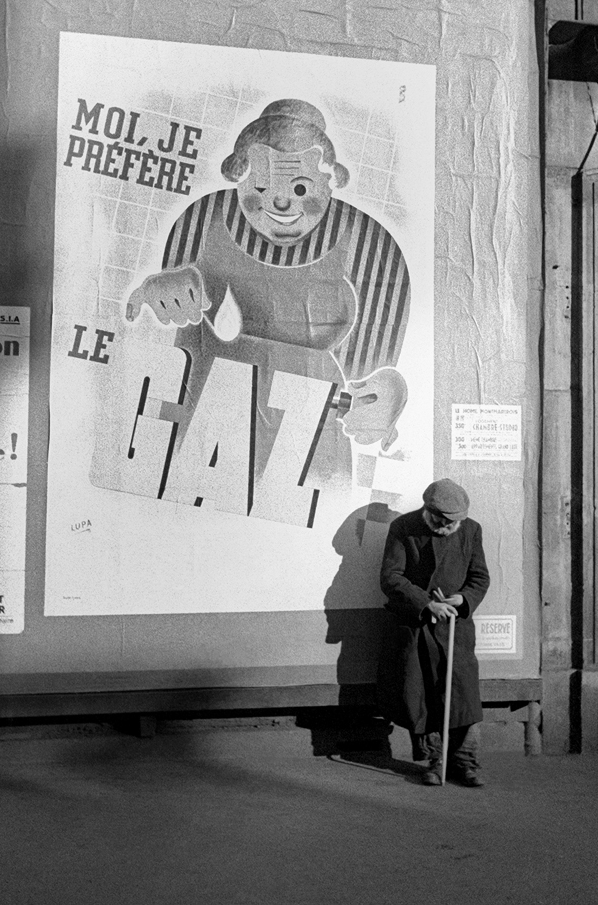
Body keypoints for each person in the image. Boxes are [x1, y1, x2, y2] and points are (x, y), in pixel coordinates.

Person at [125, 99, 410, 505]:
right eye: (261, 187)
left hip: (309, 450)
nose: (281, 204)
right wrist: (161, 292)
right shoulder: (201, 219)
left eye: (300, 188)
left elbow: (377, 371)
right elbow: (161, 349)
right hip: (204, 430)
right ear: (239, 177)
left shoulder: (375, 248)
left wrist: (387, 394)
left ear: (330, 181)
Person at [379, 478, 490, 786]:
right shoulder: (404, 527)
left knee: (463, 695)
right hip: (418, 627)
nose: (446, 527)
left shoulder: (472, 530)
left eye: (453, 522)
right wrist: (427, 603)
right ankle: (435, 761)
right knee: (424, 695)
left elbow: (480, 577)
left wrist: (463, 598)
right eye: (441, 520)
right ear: (428, 510)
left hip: (456, 627)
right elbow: (390, 577)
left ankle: (465, 762)